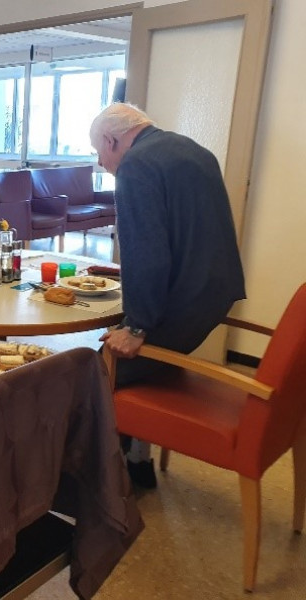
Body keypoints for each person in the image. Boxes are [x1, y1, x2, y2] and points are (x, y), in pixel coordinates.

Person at [90, 103, 246, 488]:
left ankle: (104, 476)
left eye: (99, 152)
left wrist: (137, 326)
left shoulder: (136, 165)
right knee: (144, 364)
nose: (100, 162)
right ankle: (138, 460)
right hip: (213, 293)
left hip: (184, 300)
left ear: (112, 140)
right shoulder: (191, 149)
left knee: (99, 367)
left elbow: (146, 251)